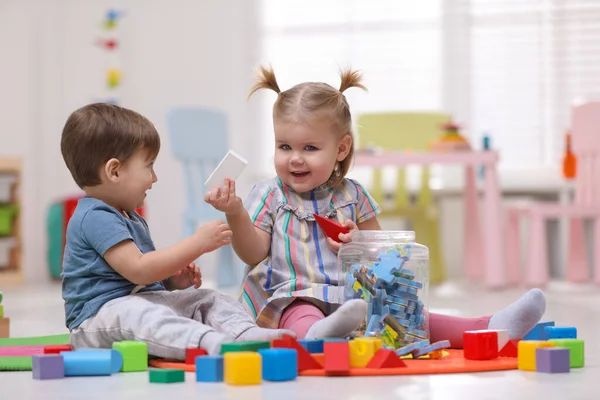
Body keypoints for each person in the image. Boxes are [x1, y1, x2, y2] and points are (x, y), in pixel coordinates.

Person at [204, 66, 547, 346]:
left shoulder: (352, 196)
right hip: (293, 298)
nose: (294, 159)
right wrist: (235, 212)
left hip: (356, 296)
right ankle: (321, 338)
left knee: (410, 315)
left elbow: (385, 256)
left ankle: (490, 327)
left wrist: (358, 243)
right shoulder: (271, 195)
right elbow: (252, 254)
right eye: (284, 146)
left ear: (341, 148)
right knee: (304, 313)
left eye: (309, 148)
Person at [60, 103, 291, 360]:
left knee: (207, 298)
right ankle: (206, 342)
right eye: (148, 166)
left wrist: (171, 281)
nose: (154, 178)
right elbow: (138, 268)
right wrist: (197, 243)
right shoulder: (94, 216)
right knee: (141, 315)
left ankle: (245, 334)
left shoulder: (129, 216)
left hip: (141, 302)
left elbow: (140, 277)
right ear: (114, 171)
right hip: (97, 319)